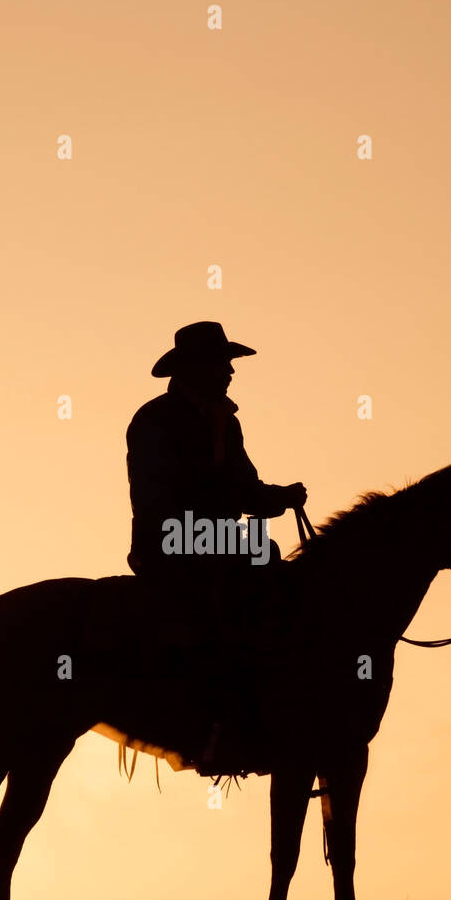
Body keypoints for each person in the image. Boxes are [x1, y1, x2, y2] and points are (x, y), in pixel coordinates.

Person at [125, 321, 306, 771]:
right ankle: (216, 719)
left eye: (229, 363)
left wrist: (280, 497)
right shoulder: (154, 420)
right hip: (169, 539)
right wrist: (209, 520)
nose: (230, 371)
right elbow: (154, 499)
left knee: (270, 564)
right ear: (195, 368)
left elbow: (246, 490)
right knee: (246, 573)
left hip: (215, 540)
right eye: (223, 362)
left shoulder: (227, 421)